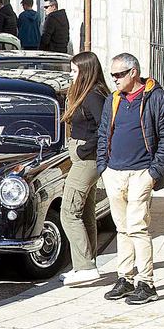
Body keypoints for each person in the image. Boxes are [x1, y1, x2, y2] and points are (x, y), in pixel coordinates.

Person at [97, 53, 164, 304]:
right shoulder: (113, 100)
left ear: (134, 73)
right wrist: (103, 167)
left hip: (141, 172)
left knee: (137, 227)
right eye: (112, 75)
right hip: (114, 172)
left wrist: (154, 172)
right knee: (122, 228)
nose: (115, 79)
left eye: (119, 74)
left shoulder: (157, 98)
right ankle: (125, 278)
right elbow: (103, 133)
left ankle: (147, 282)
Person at [57, 52, 109, 287]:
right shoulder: (85, 94)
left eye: (75, 71)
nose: (71, 74)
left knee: (69, 212)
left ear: (86, 72)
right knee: (86, 212)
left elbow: (105, 128)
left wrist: (84, 149)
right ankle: (87, 263)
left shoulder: (93, 96)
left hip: (86, 158)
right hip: (81, 156)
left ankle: (85, 266)